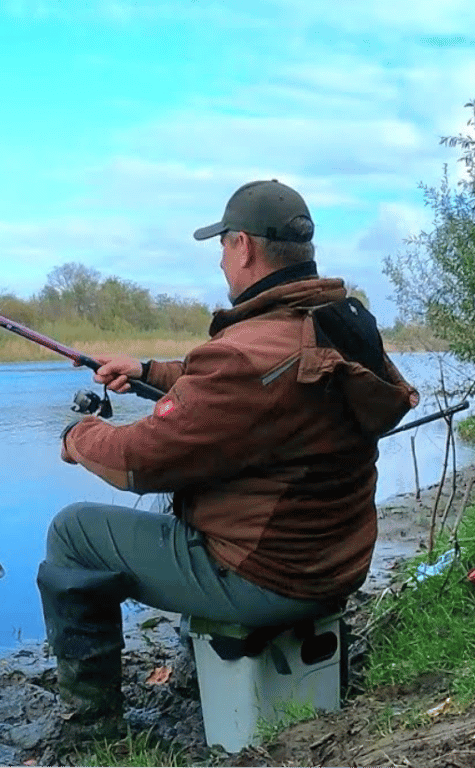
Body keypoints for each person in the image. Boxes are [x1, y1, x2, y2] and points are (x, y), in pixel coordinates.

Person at [37, 179, 420, 734]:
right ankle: (199, 664)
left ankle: (93, 727)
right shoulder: (338, 323)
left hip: (269, 577)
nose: (220, 262)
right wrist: (147, 372)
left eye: (222, 247)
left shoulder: (250, 354)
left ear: (243, 246)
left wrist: (79, 436)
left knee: (73, 532)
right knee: (176, 508)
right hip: (337, 560)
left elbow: (137, 463)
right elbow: (242, 388)